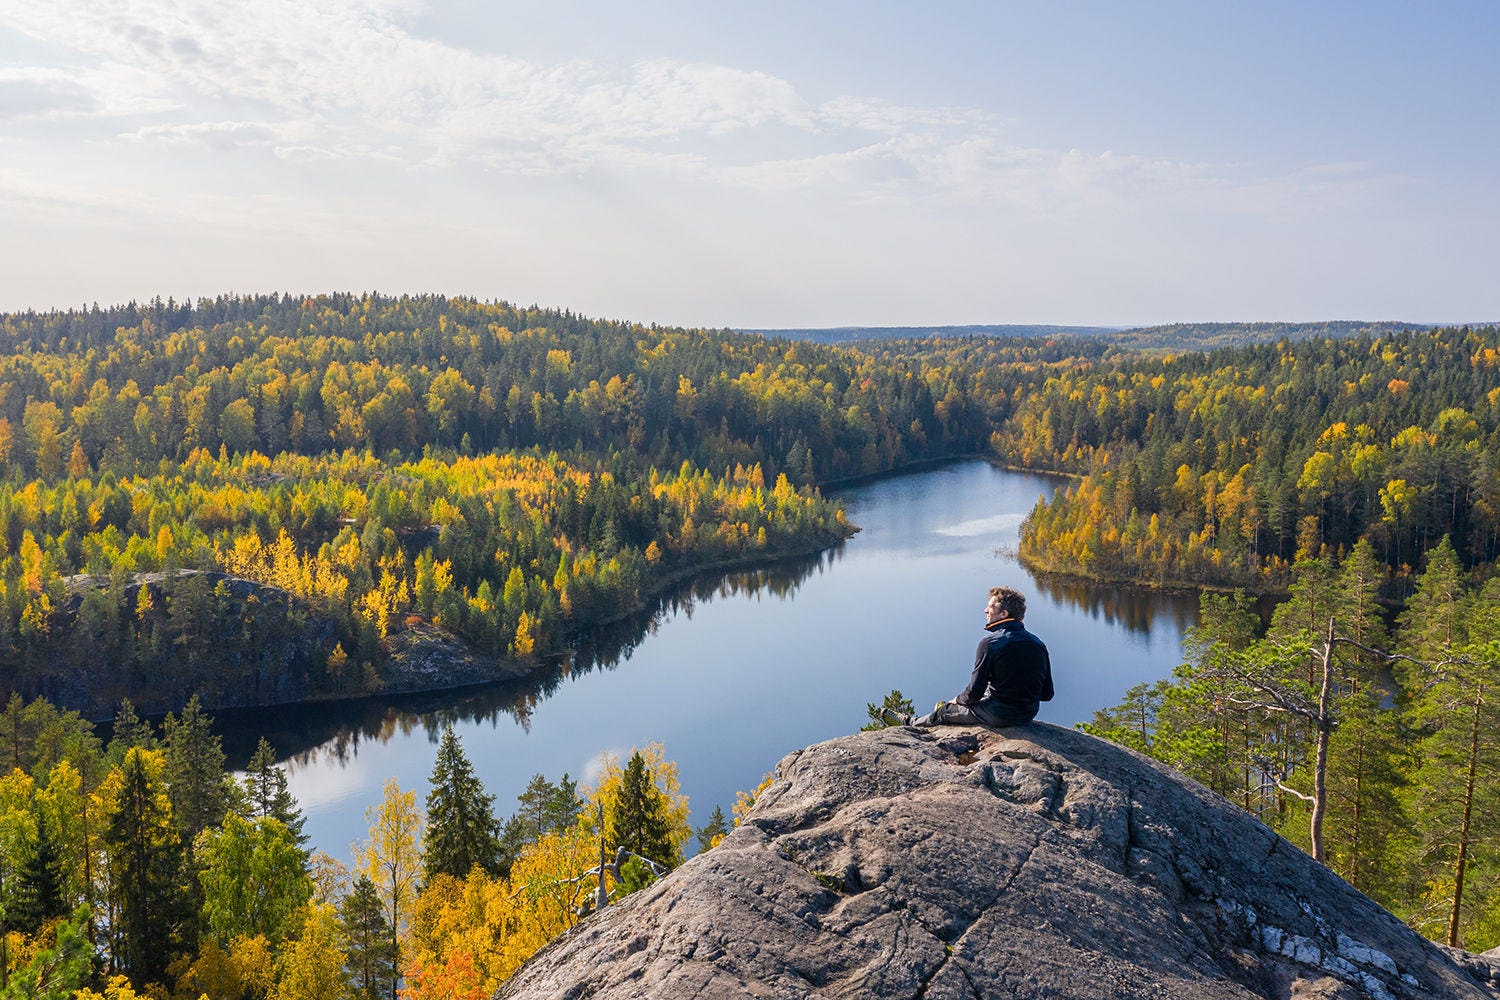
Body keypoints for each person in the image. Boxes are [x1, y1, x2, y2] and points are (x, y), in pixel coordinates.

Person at [888, 586, 1053, 728]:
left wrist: (956, 701)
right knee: (985, 692)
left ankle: (910, 723)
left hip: (1000, 715)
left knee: (945, 713)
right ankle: (951, 709)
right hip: (1027, 714)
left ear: (1003, 614)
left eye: (990, 607)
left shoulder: (990, 643)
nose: (985, 610)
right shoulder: (1038, 644)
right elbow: (1047, 694)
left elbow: (974, 694)